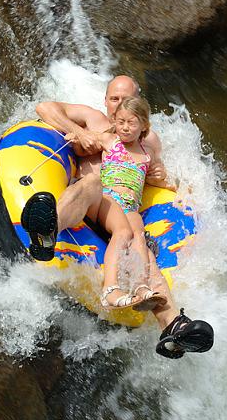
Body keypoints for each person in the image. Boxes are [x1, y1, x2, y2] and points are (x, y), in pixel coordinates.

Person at [21, 75, 214, 358]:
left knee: (143, 246)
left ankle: (172, 325)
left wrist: (166, 180)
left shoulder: (147, 141)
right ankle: (46, 231)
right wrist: (79, 132)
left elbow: (152, 175)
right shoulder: (95, 121)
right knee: (91, 183)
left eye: (126, 100)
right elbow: (45, 108)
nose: (119, 107)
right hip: (91, 204)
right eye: (114, 99)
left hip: (123, 211)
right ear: (105, 99)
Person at [66, 96, 172, 310]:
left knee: (139, 237)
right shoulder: (111, 141)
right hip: (108, 198)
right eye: (121, 122)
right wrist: (77, 138)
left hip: (130, 206)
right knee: (123, 233)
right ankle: (110, 286)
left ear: (143, 125)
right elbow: (82, 138)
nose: (125, 128)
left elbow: (159, 179)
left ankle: (141, 287)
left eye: (131, 123)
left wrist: (162, 180)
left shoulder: (148, 154)